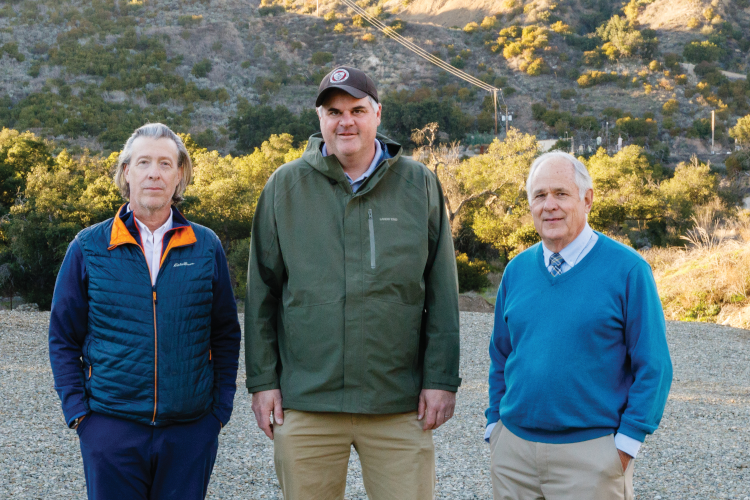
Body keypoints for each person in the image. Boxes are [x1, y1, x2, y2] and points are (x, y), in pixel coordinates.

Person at [245, 66, 461, 500]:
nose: (346, 121)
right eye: (333, 111)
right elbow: (261, 295)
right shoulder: (285, 186)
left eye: (357, 110)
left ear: (377, 114)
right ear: (319, 119)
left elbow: (441, 292)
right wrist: (263, 382)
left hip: (397, 404)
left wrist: (441, 379)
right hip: (307, 403)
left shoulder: (419, 184)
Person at [48, 123, 241, 500]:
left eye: (166, 163)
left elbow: (225, 333)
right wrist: (80, 415)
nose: (155, 172)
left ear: (180, 174)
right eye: (144, 162)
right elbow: (62, 336)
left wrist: (218, 411)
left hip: (189, 432)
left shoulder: (206, 246)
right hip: (110, 428)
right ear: (126, 172)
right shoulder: (88, 246)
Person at [486, 151, 673, 500]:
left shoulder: (628, 270)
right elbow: (501, 355)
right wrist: (495, 426)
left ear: (587, 200)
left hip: (590, 459)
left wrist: (624, 447)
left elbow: (655, 366)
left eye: (561, 193)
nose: (549, 205)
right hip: (513, 455)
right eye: (539, 196)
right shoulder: (516, 271)